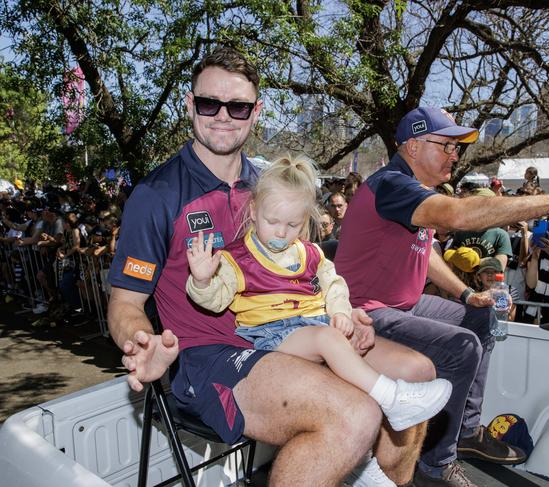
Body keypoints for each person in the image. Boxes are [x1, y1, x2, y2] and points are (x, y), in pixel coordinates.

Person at [108, 47, 442, 486]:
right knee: (355, 414)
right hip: (210, 357)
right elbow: (125, 301)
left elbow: (303, 270)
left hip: (293, 330)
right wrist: (141, 341)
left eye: (238, 105)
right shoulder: (157, 195)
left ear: (255, 111)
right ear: (189, 105)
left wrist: (341, 313)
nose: (223, 115)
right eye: (209, 103)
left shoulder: (271, 185)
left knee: (419, 374)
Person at [334, 106, 549, 487]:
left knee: (481, 319)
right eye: (446, 145)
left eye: (457, 147)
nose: (455, 154)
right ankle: (435, 465)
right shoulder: (392, 184)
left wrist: (465, 293)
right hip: (365, 311)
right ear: (413, 146)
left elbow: (423, 252)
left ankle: (465, 432)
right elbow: (457, 217)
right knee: (461, 347)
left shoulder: (413, 192)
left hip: (404, 304)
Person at [186, 155, 452, 485]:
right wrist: (201, 280)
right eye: (273, 222)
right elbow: (216, 300)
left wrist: (340, 312)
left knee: (344, 360)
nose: (282, 232)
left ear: (305, 221)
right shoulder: (234, 258)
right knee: (330, 342)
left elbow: (334, 284)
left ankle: (363, 464)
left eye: (293, 225)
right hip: (273, 337)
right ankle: (391, 397)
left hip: (314, 325)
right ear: (253, 211)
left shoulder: (310, 253)